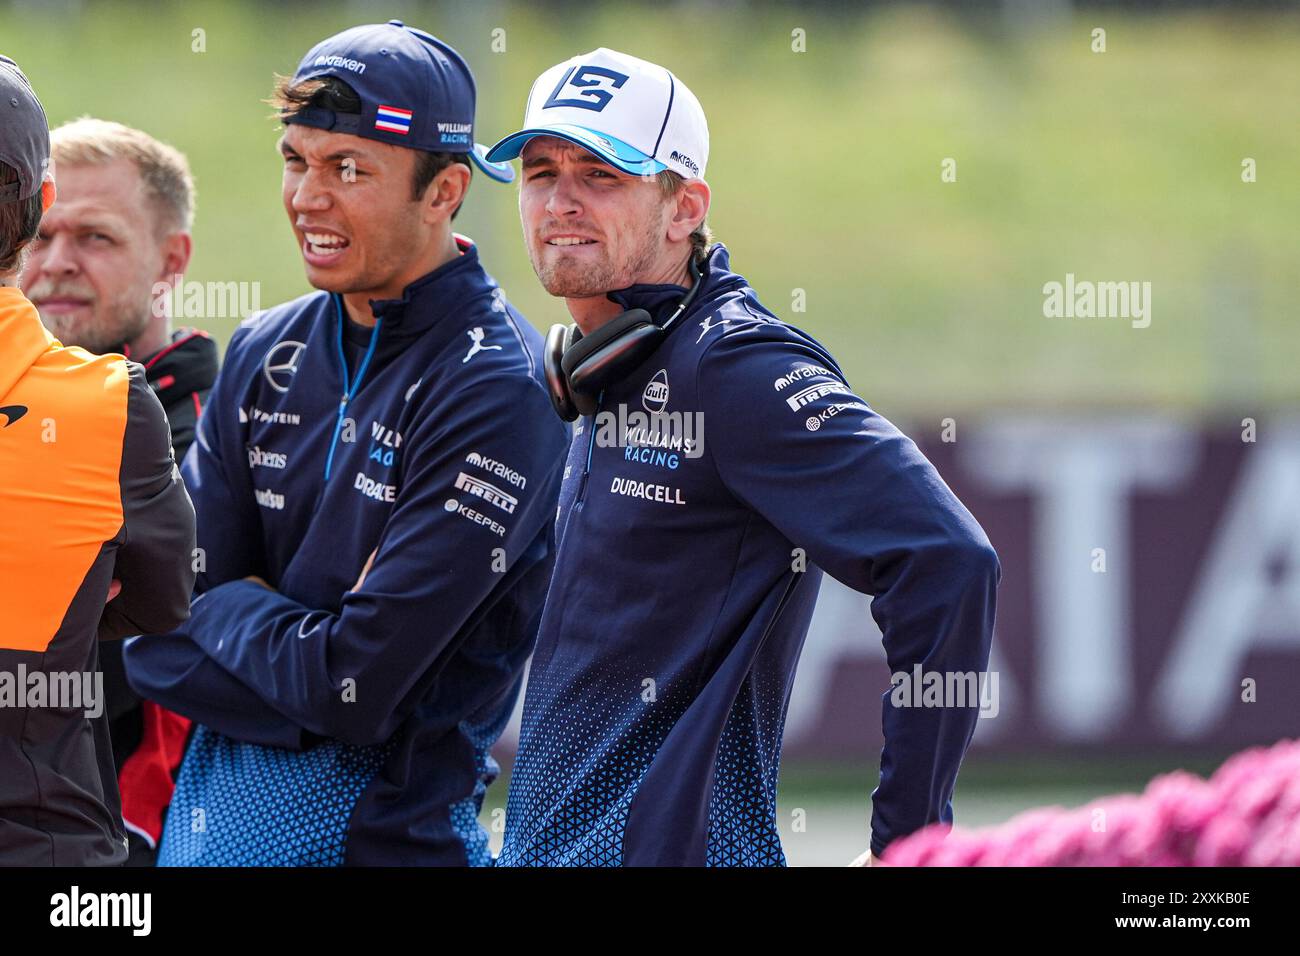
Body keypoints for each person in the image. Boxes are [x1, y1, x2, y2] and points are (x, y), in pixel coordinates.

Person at [484, 48, 1001, 867]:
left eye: (601, 174)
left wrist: (909, 846)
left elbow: (949, 560)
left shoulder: (735, 367)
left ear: (685, 206)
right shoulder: (599, 371)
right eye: (540, 172)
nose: (560, 200)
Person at [124, 21, 568, 866]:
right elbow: (151, 637)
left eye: (349, 169)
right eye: (297, 161)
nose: (306, 199)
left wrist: (228, 603)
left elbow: (354, 688)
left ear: (444, 191)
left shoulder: (500, 387)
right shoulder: (263, 348)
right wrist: (300, 626)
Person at [0, 54, 196, 865]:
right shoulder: (116, 407)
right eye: (58, 232)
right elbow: (162, 605)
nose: (63, 263)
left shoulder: (182, 399)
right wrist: (67, 586)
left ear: (172, 260)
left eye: (98, 238)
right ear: (37, 207)